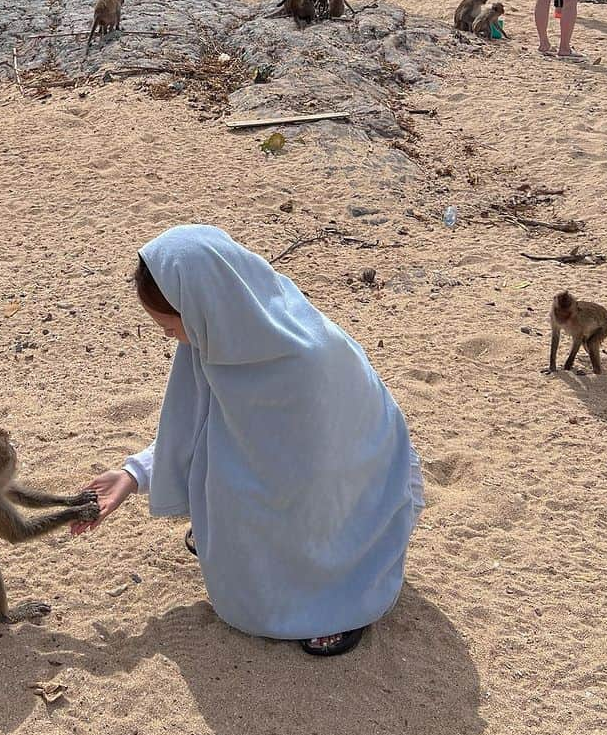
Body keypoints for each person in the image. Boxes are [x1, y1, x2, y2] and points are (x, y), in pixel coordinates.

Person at [72, 224, 425, 657]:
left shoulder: (303, 360)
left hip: (346, 493)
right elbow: (196, 423)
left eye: (168, 325)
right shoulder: (220, 333)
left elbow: (323, 472)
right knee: (229, 484)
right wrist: (133, 473)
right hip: (286, 483)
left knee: (243, 498)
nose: (168, 336)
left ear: (202, 307)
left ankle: (337, 601)